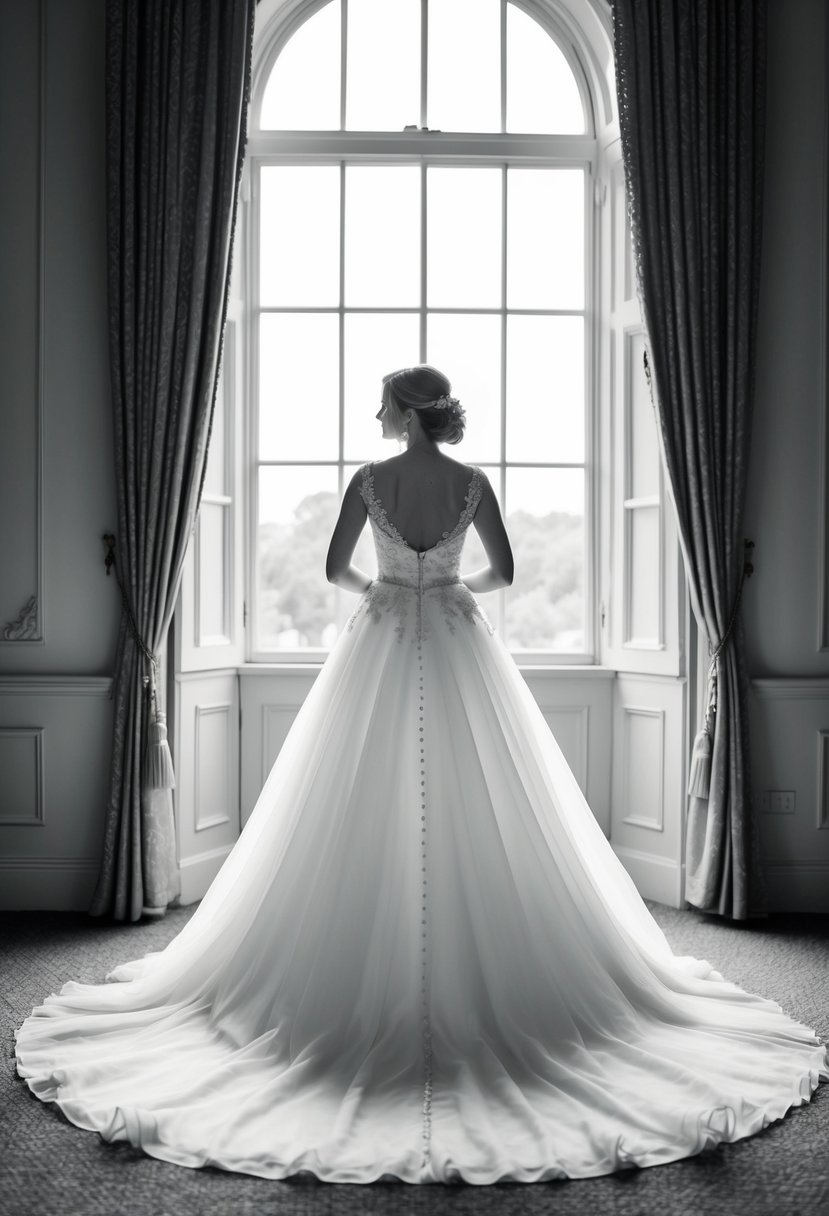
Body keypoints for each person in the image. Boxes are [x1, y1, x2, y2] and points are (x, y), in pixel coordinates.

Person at [14, 364, 828, 1186]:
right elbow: (504, 574)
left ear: (404, 409)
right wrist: (447, 586)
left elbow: (336, 570)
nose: (375, 409)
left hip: (377, 637)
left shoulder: (368, 482)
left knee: (347, 800)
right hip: (457, 638)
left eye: (383, 398)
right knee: (494, 800)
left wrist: (387, 590)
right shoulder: (472, 484)